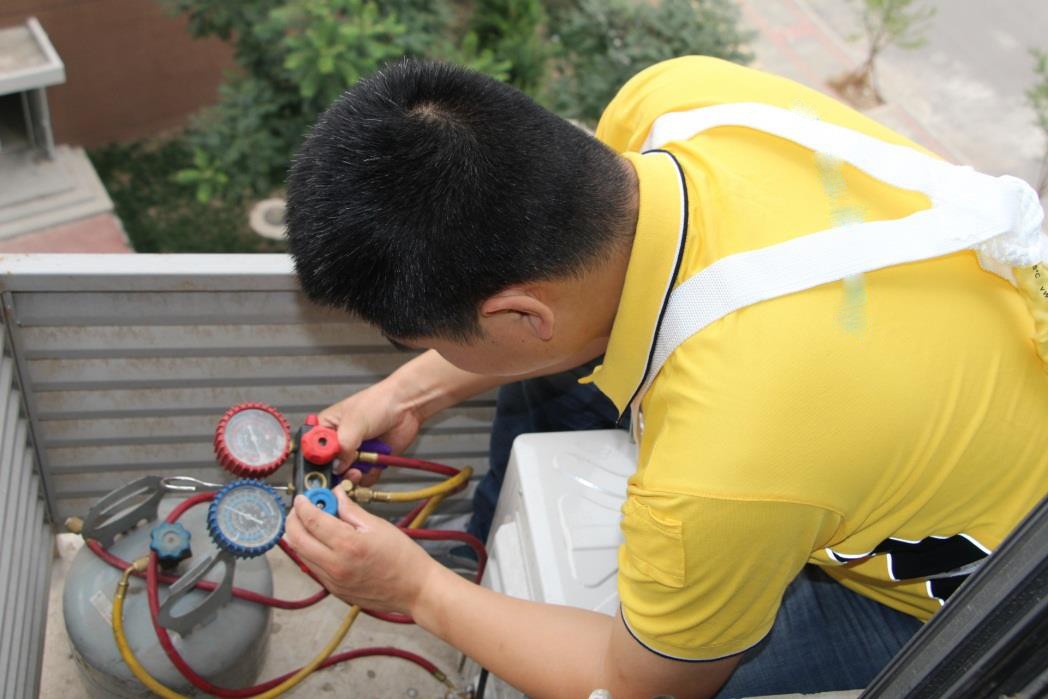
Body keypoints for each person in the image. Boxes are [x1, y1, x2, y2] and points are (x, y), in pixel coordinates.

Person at [282, 56, 1048, 698]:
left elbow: (639, 681)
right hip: (962, 383)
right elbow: (566, 304)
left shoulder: (718, 478)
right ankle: (482, 555)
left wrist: (417, 592)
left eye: (407, 345)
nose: (408, 358)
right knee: (552, 384)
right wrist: (403, 393)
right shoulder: (676, 102)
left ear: (521, 316)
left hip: (998, 590)